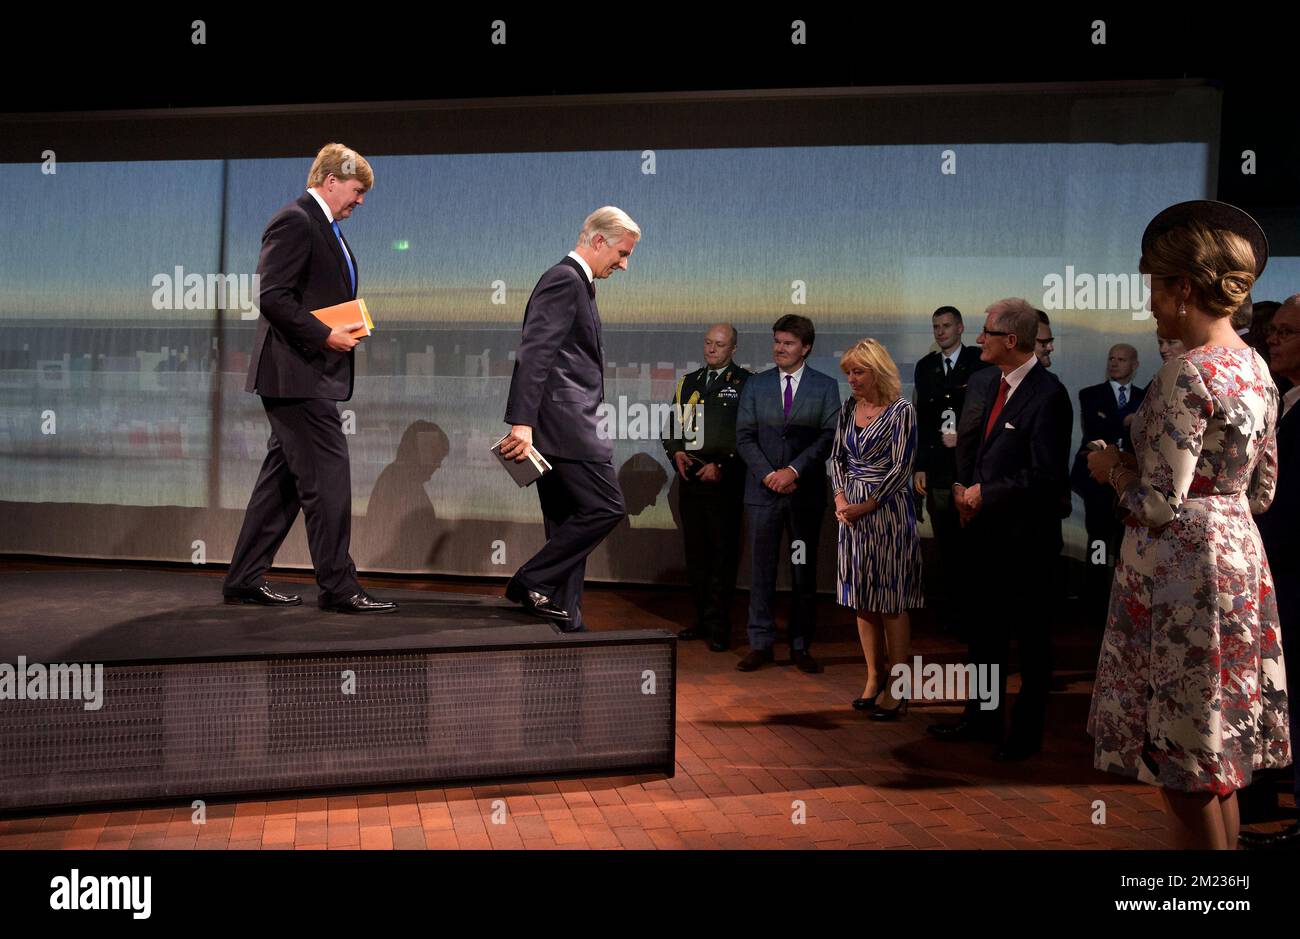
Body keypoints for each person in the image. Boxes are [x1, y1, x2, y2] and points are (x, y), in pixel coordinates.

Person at [1086, 200, 1289, 850]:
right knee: (1215, 759)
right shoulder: (1258, 369)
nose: (1149, 301)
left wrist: (1112, 467)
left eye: (1152, 284)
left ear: (1182, 285)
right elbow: (1262, 492)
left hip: (1181, 577)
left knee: (1183, 761)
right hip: (1238, 561)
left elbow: (1154, 502)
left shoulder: (1186, 372)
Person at [223, 143, 396, 614]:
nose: (360, 200)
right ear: (331, 180)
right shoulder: (296, 220)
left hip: (304, 376)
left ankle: (243, 578)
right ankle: (339, 588)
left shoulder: (325, 225)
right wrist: (325, 336)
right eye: (357, 190)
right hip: (295, 377)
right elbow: (272, 296)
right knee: (329, 481)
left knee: (282, 484)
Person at [926, 298, 1072, 761]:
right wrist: (963, 488)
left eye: (986, 332)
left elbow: (1047, 477)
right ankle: (983, 718)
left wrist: (986, 493)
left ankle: (1024, 734)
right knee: (984, 633)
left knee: (1030, 640)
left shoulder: (1050, 395)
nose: (977, 339)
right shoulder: (985, 380)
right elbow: (969, 445)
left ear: (1011, 340)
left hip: (1027, 541)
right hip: (981, 533)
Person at [499, 207, 639, 631]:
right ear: (598, 241)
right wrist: (522, 423)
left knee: (565, 526)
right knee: (606, 507)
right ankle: (530, 580)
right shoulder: (564, 279)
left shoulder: (581, 283)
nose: (624, 263)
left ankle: (564, 621)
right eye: (621, 252)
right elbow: (535, 352)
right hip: (568, 429)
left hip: (561, 429)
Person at [734, 314, 841, 673]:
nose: (780, 348)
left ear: (806, 347)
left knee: (802, 571)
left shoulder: (825, 387)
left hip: (803, 495)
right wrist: (769, 475)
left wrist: (793, 471)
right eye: (777, 341)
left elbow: (828, 436)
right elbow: (744, 436)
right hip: (763, 494)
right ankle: (760, 643)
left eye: (788, 343)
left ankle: (799, 645)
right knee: (761, 570)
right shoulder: (756, 385)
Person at [833, 339, 923, 719]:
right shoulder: (849, 407)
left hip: (886, 512)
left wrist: (868, 505)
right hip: (849, 512)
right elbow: (836, 457)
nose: (852, 379)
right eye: (849, 373)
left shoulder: (902, 411)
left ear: (877, 371)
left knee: (891, 600)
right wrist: (840, 500)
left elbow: (902, 466)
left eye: (858, 372)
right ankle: (874, 677)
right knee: (862, 598)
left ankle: (898, 688)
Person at [1240, 294, 1300, 849]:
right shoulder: (1282, 397)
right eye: (1271, 331)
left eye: (1285, 331)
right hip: (1269, 566)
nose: (1272, 340)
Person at [664, 324, 751, 652]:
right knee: (696, 554)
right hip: (690, 479)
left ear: (733, 349)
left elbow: (749, 436)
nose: (712, 349)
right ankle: (701, 619)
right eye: (708, 343)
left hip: (725, 481)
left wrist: (724, 467)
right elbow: (671, 427)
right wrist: (676, 452)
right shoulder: (689, 383)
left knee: (722, 556)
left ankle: (719, 625)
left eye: (720, 344)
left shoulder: (746, 384)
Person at [912, 306, 992, 629]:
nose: (940, 331)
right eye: (935, 326)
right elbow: (922, 418)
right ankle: (954, 614)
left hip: (972, 467)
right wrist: (919, 465)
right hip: (938, 470)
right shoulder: (926, 366)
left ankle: (977, 614)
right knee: (945, 539)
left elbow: (987, 411)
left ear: (960, 328)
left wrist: (965, 437)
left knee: (973, 542)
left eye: (946, 325)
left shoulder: (978, 362)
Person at [1069, 344, 1146, 618]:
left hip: (1131, 485)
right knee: (1099, 541)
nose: (1114, 363)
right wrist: (1131, 421)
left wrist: (1135, 421)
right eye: (1111, 358)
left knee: (1126, 544)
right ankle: (1095, 596)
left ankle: (1122, 599)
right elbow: (1096, 430)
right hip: (1098, 484)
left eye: (1121, 359)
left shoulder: (1145, 397)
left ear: (1134, 365)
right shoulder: (1090, 395)